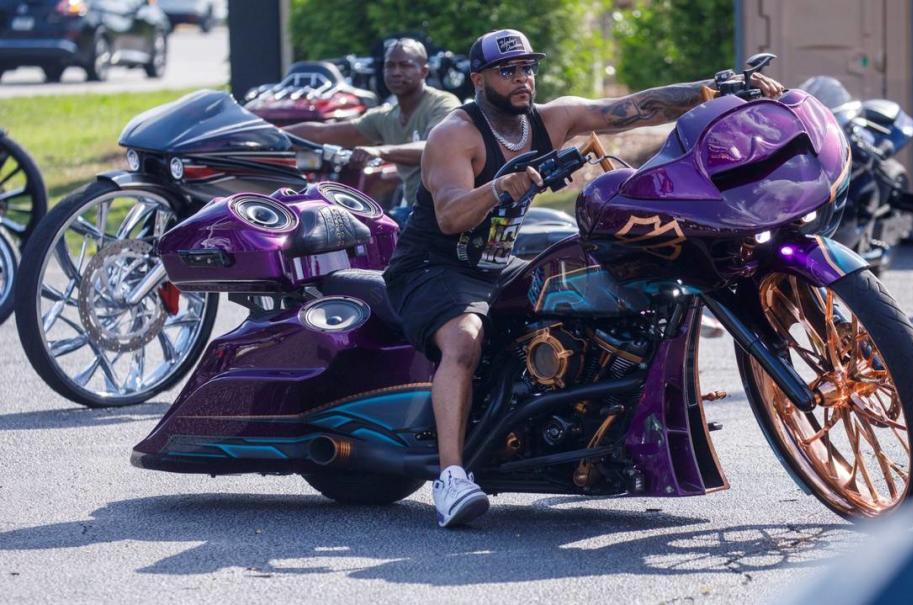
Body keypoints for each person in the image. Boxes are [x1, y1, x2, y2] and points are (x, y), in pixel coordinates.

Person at [383, 29, 785, 528]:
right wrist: (499, 186)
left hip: (494, 264)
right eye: (508, 71)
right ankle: (451, 479)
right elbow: (449, 215)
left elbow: (636, 108)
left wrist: (717, 88)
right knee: (464, 340)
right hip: (432, 268)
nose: (521, 78)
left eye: (527, 68)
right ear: (478, 79)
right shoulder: (455, 134)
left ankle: (621, 420)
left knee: (602, 294)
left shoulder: (552, 119)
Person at [285, 38, 460, 206]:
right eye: (389, 65)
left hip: (447, 212)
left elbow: (435, 148)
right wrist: (269, 133)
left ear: (424, 71)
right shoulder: (384, 117)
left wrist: (379, 151)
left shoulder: (443, 103)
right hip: (415, 211)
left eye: (405, 65)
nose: (396, 72)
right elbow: (321, 133)